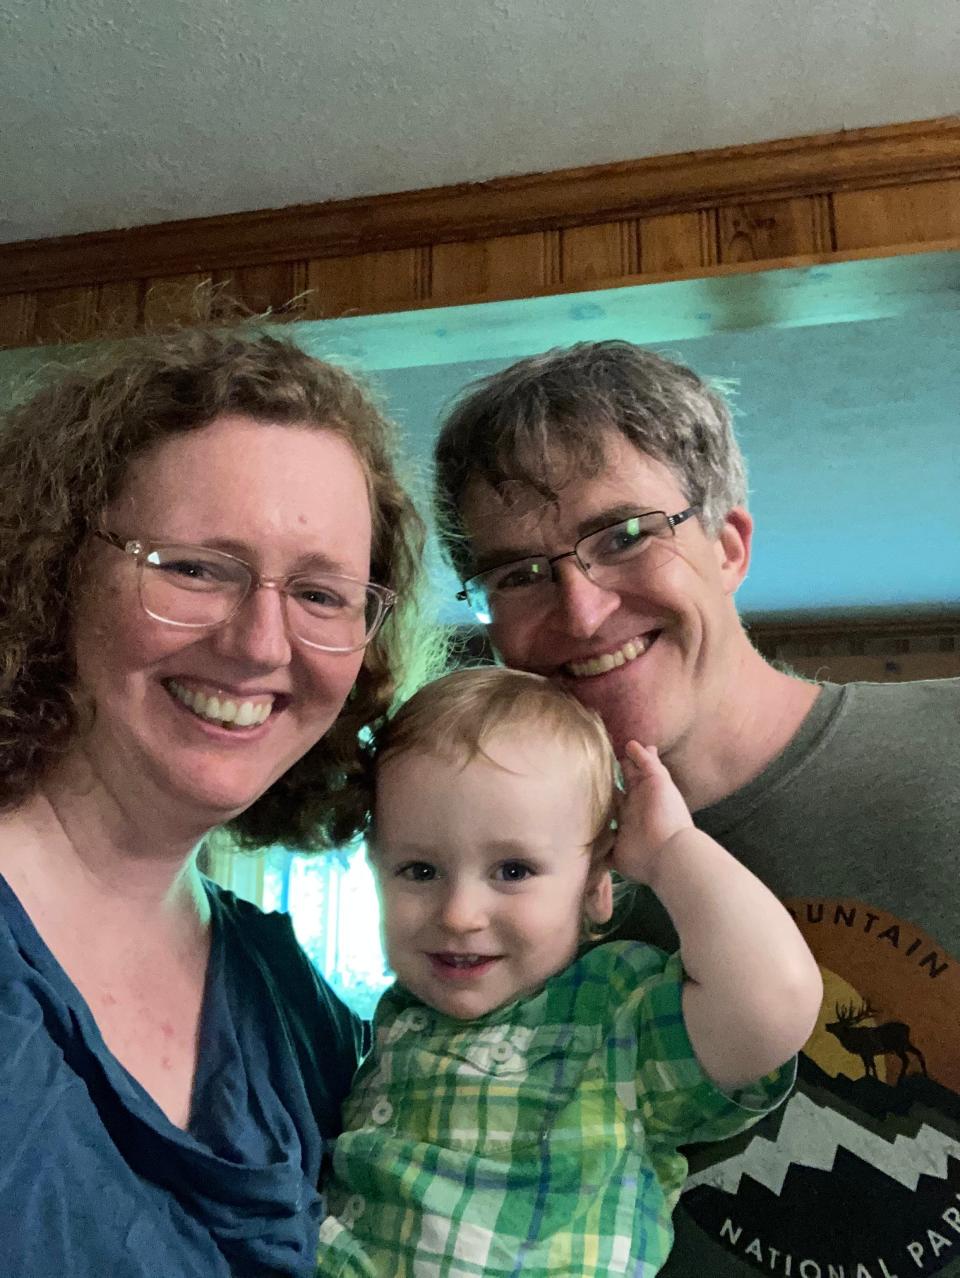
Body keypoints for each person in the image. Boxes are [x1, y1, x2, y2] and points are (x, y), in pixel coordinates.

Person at [432, 341, 960, 1278]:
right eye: (519, 572)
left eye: (626, 534)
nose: (582, 611)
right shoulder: (504, 891)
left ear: (727, 545)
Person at [0, 327, 435, 1278]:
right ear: (53, 572)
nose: (259, 645)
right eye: (195, 567)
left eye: (322, 595)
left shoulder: (297, 1006)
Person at [316, 666, 821, 1276]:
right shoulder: (393, 1023)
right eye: (419, 871)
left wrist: (667, 851)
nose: (459, 914)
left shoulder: (613, 1015)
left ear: (595, 888)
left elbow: (775, 999)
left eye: (513, 871)